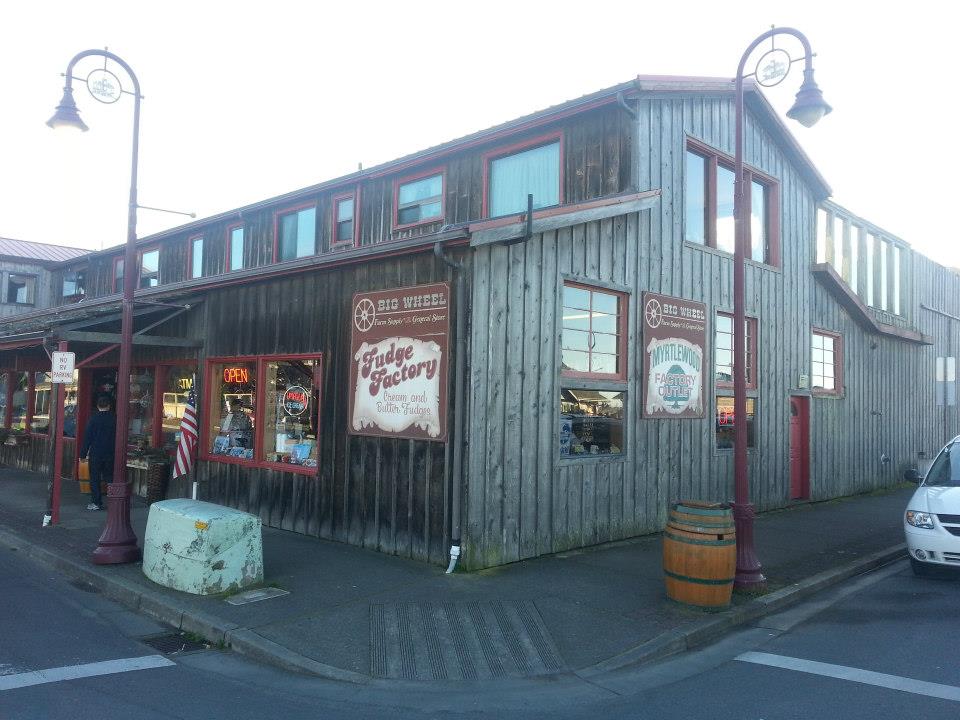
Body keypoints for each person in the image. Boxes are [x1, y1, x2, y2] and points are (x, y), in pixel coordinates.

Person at [79, 396, 116, 511]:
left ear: (97, 406)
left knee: (94, 478)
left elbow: (87, 438)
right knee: (110, 477)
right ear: (109, 406)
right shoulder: (114, 419)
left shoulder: (93, 419)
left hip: (96, 452)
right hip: (111, 452)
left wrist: (83, 454)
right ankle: (114, 502)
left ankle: (96, 502)